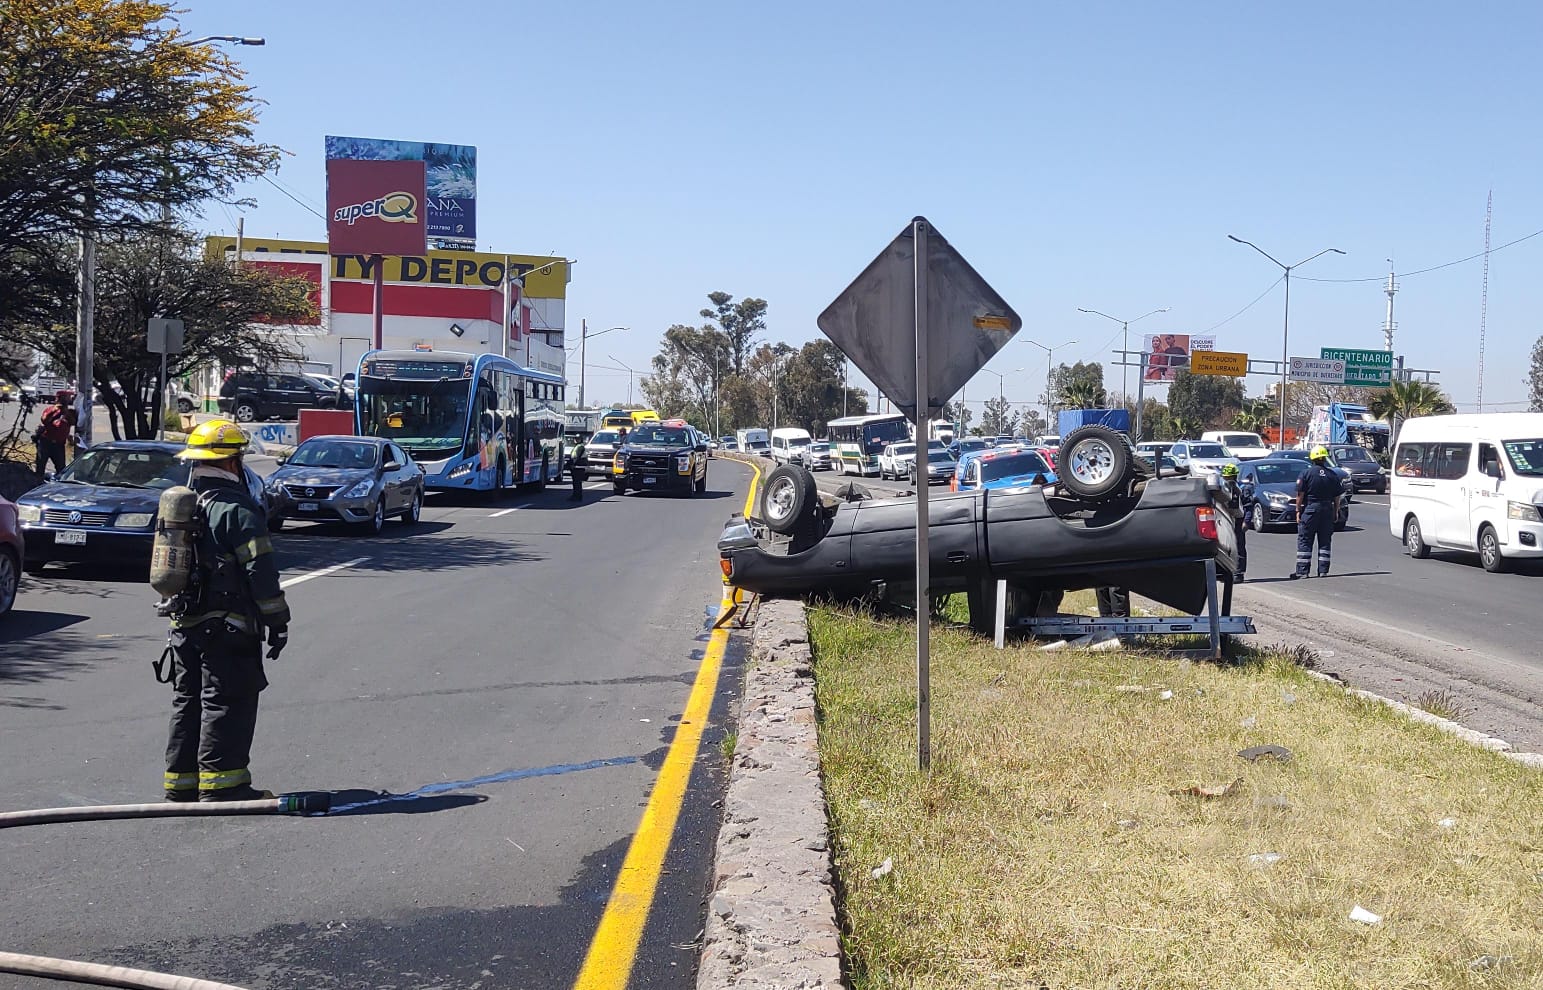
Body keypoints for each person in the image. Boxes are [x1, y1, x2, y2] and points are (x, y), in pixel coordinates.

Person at [162, 420, 290, 802]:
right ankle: (224, 785)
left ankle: (180, 784)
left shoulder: (182, 507)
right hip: (229, 627)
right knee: (227, 699)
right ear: (233, 463)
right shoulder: (238, 510)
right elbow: (261, 573)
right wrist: (277, 623)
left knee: (188, 700)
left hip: (183, 625)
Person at [1291, 445, 1342, 580]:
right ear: (1325, 458)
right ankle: (1323, 570)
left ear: (1312, 458)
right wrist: (1336, 511)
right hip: (1327, 510)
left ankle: (1302, 572)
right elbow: (1337, 497)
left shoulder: (1306, 474)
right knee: (1325, 540)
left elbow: (1300, 495)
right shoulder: (1332, 475)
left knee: (1305, 540)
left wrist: (1298, 510)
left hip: (1311, 510)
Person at [1221, 462, 1252, 582]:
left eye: (1229, 477)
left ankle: (1239, 573)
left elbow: (1248, 507)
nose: (1227, 479)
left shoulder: (1242, 490)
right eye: (1225, 477)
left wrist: (1246, 522)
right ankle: (1227, 572)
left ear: (1234, 476)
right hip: (1225, 520)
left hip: (1238, 521)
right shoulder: (1222, 489)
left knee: (1239, 547)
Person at [34, 393, 72, 478]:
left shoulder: (69, 413)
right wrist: (56, 410)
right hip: (46, 442)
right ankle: (38, 484)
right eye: (63, 398)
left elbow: (74, 421)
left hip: (59, 444)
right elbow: (44, 420)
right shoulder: (50, 410)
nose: (65, 401)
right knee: (40, 466)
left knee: (61, 469)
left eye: (67, 399)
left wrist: (66, 413)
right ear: (57, 399)